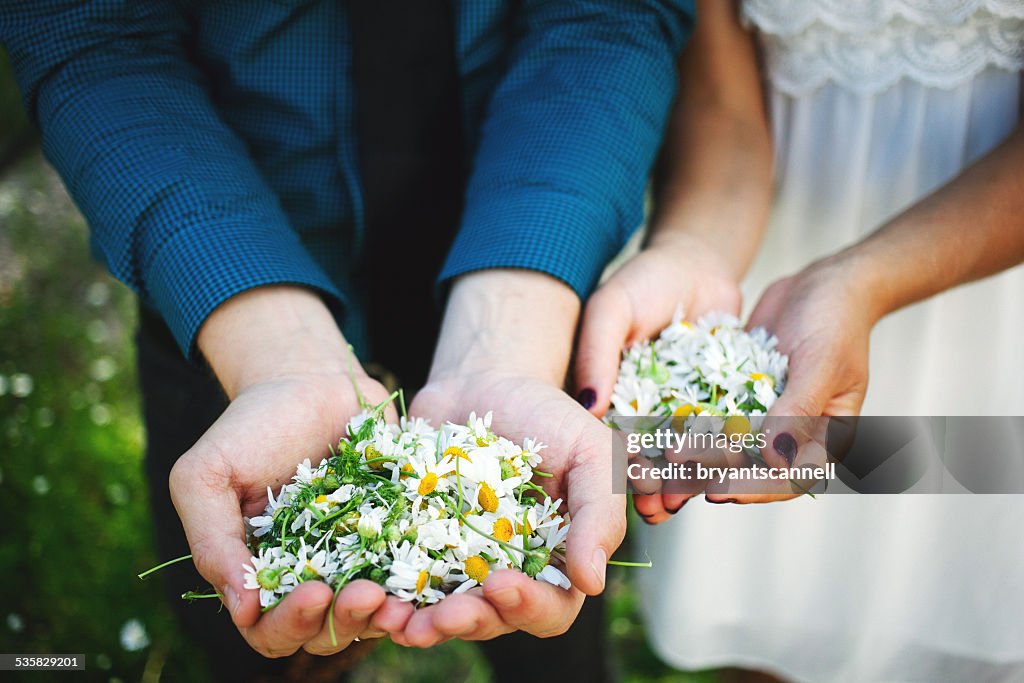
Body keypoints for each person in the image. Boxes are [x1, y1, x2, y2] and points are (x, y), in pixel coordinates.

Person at [0, 1, 695, 680]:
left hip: (528, 269)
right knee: (257, 614)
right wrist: (268, 346)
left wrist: (517, 327)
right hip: (236, 297)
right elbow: (87, 27)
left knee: (551, 611)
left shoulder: (787, 441)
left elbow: (614, 15)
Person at [574, 0, 1024, 680]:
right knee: (779, 580)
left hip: (983, 286)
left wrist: (861, 283)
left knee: (955, 567)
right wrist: (689, 251)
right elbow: (724, 108)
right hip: (769, 279)